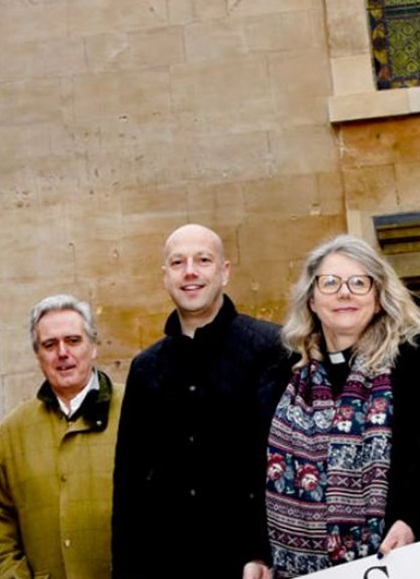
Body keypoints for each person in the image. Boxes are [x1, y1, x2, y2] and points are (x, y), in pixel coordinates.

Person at [251, 234, 420, 578]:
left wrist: (415, 522)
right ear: (312, 300)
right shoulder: (279, 378)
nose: (344, 293)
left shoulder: (418, 364)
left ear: (377, 298)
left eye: (359, 283)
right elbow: (252, 478)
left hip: (399, 563)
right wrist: (255, 555)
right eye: (329, 283)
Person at [113, 224, 290, 578]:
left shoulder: (270, 348)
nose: (190, 271)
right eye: (178, 262)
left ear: (224, 272)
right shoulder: (145, 369)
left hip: (249, 565)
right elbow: (129, 485)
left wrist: (262, 551)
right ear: (165, 277)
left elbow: (285, 463)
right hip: (169, 564)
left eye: (203, 260)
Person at [0, 294, 123, 579]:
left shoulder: (138, 410)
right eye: (49, 344)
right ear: (38, 355)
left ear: (93, 347)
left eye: (73, 340)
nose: (62, 353)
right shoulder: (10, 433)